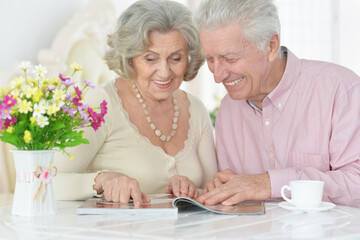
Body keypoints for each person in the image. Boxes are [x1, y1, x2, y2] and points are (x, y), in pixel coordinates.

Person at [194, 0, 360, 207]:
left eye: (230, 58)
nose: (218, 76)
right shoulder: (229, 107)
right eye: (210, 59)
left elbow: (357, 183)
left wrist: (269, 183)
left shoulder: (341, 90)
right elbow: (236, 197)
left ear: (271, 46)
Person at [53, 0, 218, 206]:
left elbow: (214, 188)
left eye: (176, 58)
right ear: (130, 59)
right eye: (150, 59)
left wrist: (191, 189)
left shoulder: (196, 109)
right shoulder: (101, 103)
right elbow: (47, 181)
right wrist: (101, 180)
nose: (165, 72)